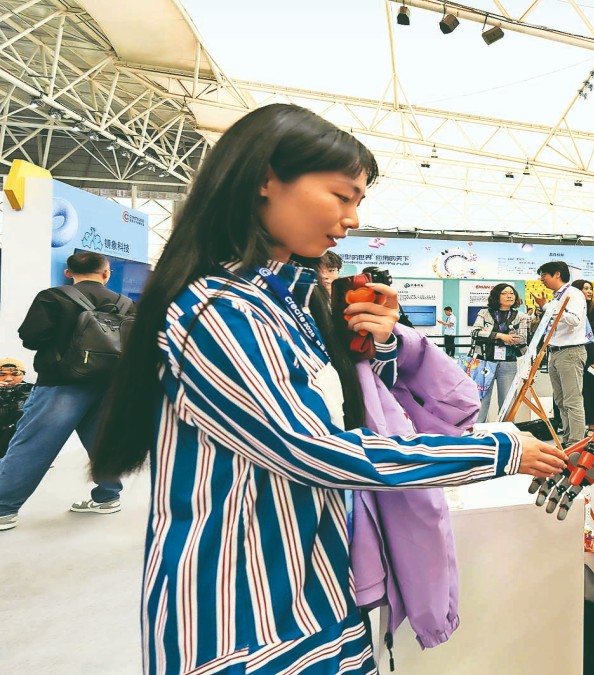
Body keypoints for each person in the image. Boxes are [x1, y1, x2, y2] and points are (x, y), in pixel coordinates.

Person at [86, 103, 567, 674]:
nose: (353, 218)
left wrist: (380, 342)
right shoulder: (218, 312)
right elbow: (315, 449)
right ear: (266, 179)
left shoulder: (285, 302)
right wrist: (498, 449)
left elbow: (353, 406)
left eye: (358, 201)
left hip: (315, 586)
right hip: (237, 611)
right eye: (342, 196)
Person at [0, 252, 130, 531]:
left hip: (61, 382)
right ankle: (108, 496)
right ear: (106, 273)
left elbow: (31, 338)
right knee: (102, 440)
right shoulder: (125, 303)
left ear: (68, 273)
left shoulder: (52, 297)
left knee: (32, 444)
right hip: (109, 384)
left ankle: (3, 508)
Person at [534, 260, 591, 445]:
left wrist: (547, 307)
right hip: (555, 351)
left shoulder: (573, 294)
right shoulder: (556, 296)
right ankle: (567, 439)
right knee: (560, 401)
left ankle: (576, 442)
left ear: (557, 274)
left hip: (570, 352)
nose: (541, 279)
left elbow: (574, 320)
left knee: (572, 400)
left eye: (544, 275)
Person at [470, 283, 531, 422]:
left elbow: (521, 339)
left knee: (507, 402)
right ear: (497, 296)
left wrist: (490, 336)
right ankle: (477, 433)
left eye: (511, 293)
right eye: (504, 293)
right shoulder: (484, 313)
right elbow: (475, 333)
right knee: (481, 401)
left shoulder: (520, 316)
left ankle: (506, 435)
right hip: (485, 361)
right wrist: (501, 336)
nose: (509, 295)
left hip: (508, 362)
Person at [571, 279, 594, 432]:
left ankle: (593, 424)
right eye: (585, 288)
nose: (589, 291)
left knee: (590, 389)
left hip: (588, 355)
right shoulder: (572, 309)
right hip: (571, 353)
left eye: (590, 288)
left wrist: (592, 359)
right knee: (572, 391)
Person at [0, 358, 34, 460]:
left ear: (23, 375)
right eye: (2, 374)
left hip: (21, 454)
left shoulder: (35, 394)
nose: (8, 379)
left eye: (15, 374)